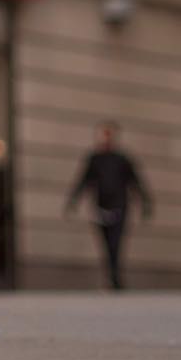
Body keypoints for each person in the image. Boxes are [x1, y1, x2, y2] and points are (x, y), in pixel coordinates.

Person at [64, 124, 152, 290]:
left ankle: (115, 278)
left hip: (120, 208)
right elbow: (83, 180)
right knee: (105, 244)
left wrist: (145, 204)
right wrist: (73, 201)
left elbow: (136, 182)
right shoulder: (94, 159)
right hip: (100, 208)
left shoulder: (122, 159)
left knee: (115, 243)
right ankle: (111, 276)